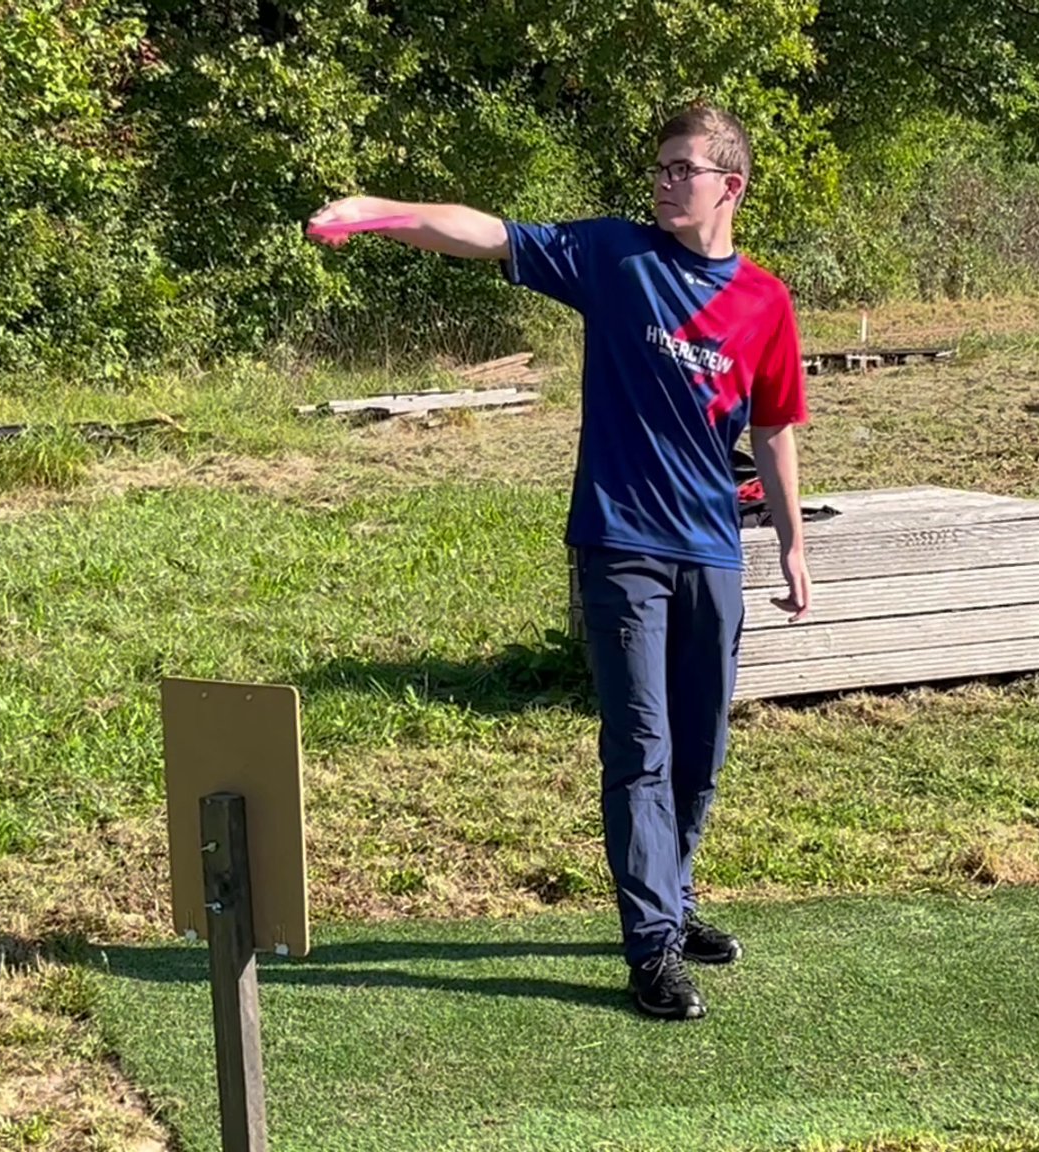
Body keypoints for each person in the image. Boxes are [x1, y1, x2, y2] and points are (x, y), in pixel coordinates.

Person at [309, 103, 811, 1021]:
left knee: (701, 749)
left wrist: (792, 545)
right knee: (642, 746)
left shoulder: (765, 302)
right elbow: (485, 234)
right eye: (658, 167)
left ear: (729, 187)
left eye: (682, 170)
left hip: (712, 549)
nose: (663, 182)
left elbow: (774, 432)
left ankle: (677, 894)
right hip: (620, 545)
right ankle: (652, 946)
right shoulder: (616, 260)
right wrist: (375, 209)